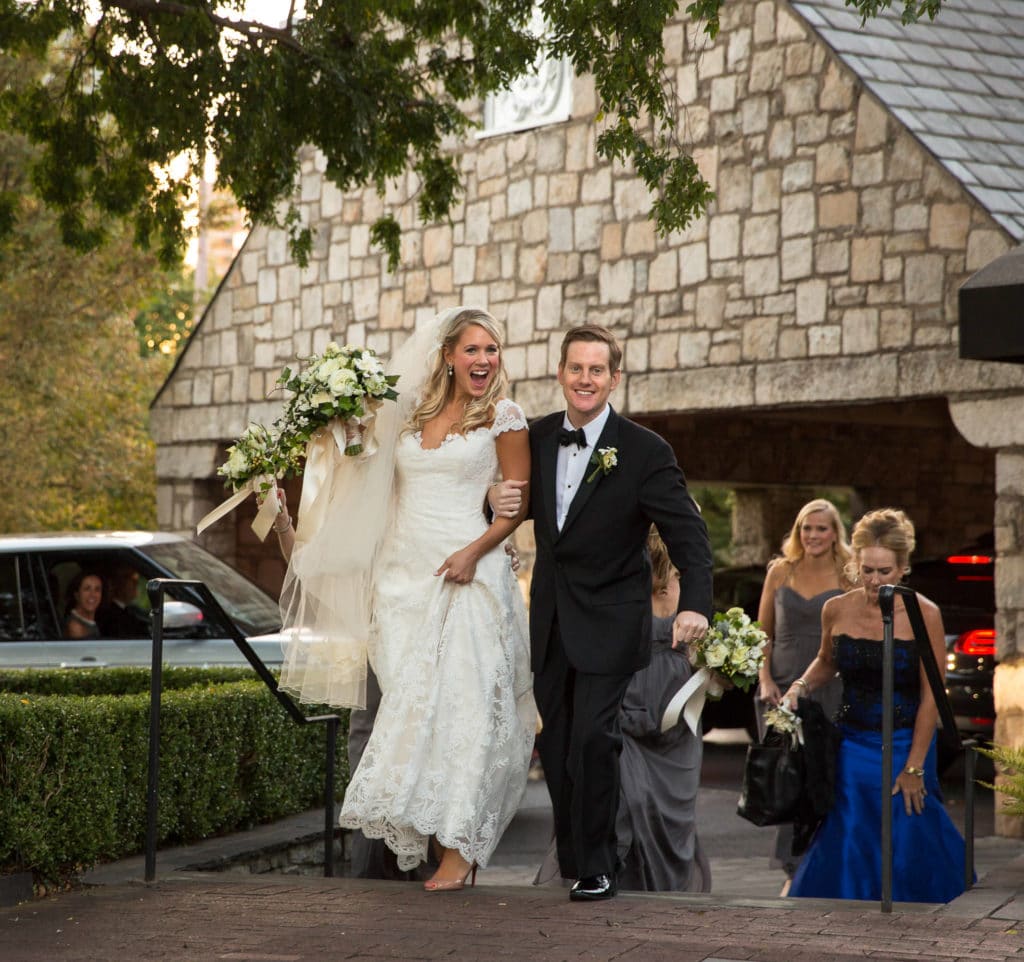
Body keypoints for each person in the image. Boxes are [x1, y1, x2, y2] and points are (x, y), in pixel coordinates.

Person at [279, 307, 536, 893]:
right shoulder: (410, 414)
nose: (483, 361)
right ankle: (430, 838)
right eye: (472, 350)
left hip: (465, 574)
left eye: (492, 350)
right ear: (447, 355)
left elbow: (514, 511)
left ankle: (459, 848)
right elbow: (366, 478)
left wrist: (475, 551)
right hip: (400, 580)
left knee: (463, 713)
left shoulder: (505, 417)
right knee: (415, 716)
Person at [497, 323, 713, 902]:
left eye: (597, 370)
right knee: (563, 743)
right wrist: (489, 503)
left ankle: (597, 864)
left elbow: (688, 534)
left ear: (614, 378)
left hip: (615, 622)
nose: (585, 379)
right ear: (561, 374)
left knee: (595, 738)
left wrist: (696, 604)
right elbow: (501, 509)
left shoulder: (644, 450)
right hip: (552, 622)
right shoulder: (537, 438)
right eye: (576, 368)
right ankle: (574, 856)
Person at [781, 508, 970, 903]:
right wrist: (799, 685)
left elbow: (933, 693)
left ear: (903, 569)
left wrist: (916, 766)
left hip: (906, 741)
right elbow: (826, 661)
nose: (874, 581)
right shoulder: (836, 608)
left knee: (908, 831)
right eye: (867, 570)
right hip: (852, 741)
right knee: (849, 829)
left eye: (884, 572)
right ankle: (845, 913)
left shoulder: (925, 614)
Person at [753, 498, 852, 889]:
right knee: (790, 775)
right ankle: (793, 866)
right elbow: (763, 633)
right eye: (806, 528)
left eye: (821, 528)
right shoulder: (780, 571)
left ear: (834, 533)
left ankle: (817, 862)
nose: (812, 535)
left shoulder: (849, 573)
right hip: (780, 687)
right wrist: (764, 678)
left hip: (830, 683)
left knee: (825, 773)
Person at [615, 528, 711, 893]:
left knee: (670, 811)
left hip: (676, 713)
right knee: (627, 799)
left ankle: (667, 891)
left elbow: (704, 644)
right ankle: (615, 878)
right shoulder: (623, 576)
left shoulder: (693, 582)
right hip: (627, 698)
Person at [95, 565, 148, 638]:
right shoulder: (111, 617)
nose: (136, 582)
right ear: (117, 583)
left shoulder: (130, 610)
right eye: (132, 579)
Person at [64, 571, 104, 639]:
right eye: (87, 589)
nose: (92, 595)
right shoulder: (76, 627)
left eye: (97, 590)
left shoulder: (90, 623)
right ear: (76, 595)